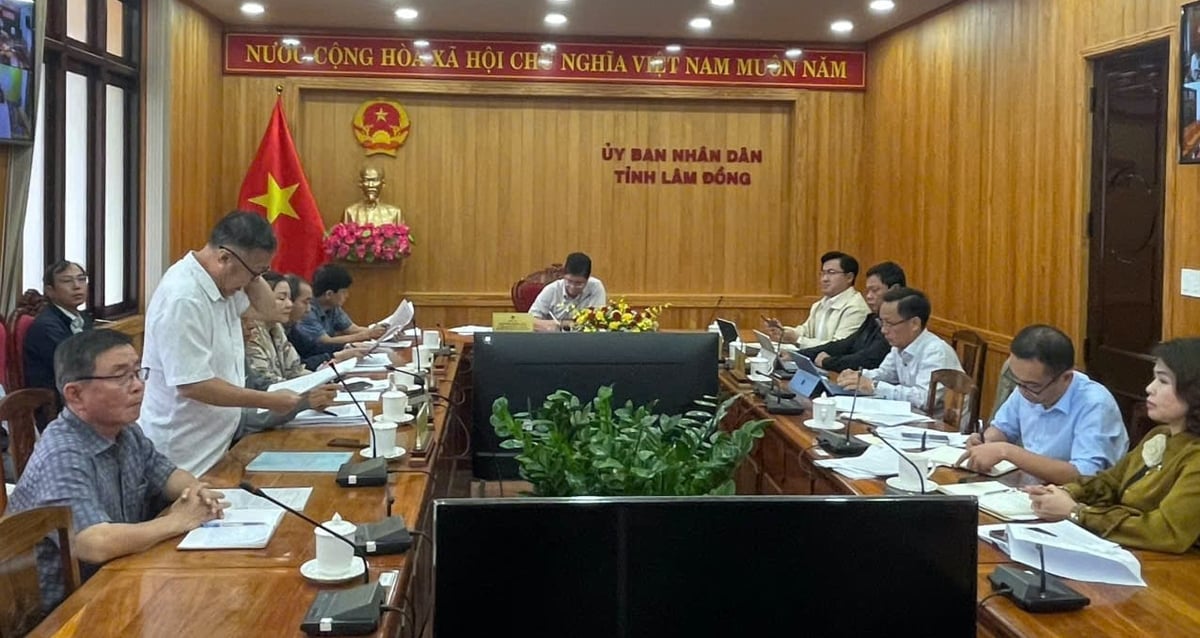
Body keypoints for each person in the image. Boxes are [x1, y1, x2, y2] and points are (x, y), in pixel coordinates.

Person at [8, 330, 226, 611]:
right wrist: (178, 521)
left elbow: (168, 474)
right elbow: (93, 543)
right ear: (75, 395)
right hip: (61, 610)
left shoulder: (126, 431)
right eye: (121, 376)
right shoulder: (63, 453)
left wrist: (196, 492)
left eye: (137, 372)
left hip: (117, 580)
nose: (137, 386)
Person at [140, 211, 304, 476]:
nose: (252, 281)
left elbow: (269, 311)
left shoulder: (222, 283)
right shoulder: (184, 298)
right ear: (224, 258)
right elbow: (193, 385)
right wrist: (268, 400)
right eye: (254, 273)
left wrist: (254, 272)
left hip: (213, 446)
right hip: (182, 454)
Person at [1027, 338, 1200, 554]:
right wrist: (1063, 492)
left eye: (1163, 381)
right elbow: (1110, 482)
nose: (1149, 388)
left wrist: (1077, 513)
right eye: (1154, 378)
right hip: (1127, 550)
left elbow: (1166, 532)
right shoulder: (1160, 435)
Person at [959, 325, 1128, 483]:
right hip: (1029, 488)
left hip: (1075, 498)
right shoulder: (1026, 386)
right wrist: (985, 443)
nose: (1022, 391)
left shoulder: (1095, 405)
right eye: (1017, 381)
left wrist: (1007, 451)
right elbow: (1003, 428)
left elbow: (1085, 475)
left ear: (1066, 377)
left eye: (1032, 386)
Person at [837, 287, 962, 414]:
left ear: (914, 323)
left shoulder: (936, 352)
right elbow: (885, 373)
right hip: (913, 416)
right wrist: (858, 376)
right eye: (882, 322)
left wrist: (874, 386)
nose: (883, 330)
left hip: (938, 422)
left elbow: (924, 399)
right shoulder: (900, 346)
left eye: (889, 323)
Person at [795, 261, 905, 373]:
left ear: (894, 289)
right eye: (868, 291)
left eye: (875, 290)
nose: (868, 296)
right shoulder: (873, 319)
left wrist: (827, 361)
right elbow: (845, 344)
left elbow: (870, 358)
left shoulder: (900, 322)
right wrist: (797, 355)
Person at [765, 251, 869, 349]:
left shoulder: (856, 309)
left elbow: (838, 347)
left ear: (849, 277)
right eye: (823, 273)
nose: (824, 279)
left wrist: (798, 339)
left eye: (831, 273)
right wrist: (783, 331)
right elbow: (806, 331)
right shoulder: (820, 304)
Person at [289, 264, 384, 365]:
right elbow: (324, 342)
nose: (347, 296)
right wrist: (367, 335)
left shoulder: (333, 307)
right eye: (344, 292)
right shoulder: (306, 312)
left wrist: (379, 331)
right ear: (329, 294)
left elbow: (352, 329)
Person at [23, 260, 94, 392]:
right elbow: (74, 366)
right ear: (50, 291)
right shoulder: (46, 327)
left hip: (81, 386)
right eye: (67, 281)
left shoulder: (84, 318)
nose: (77, 286)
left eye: (81, 279)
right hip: (55, 396)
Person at [529, 252, 608, 332]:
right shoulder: (552, 290)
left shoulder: (595, 287)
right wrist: (562, 324)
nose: (572, 287)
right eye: (569, 281)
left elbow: (598, 320)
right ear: (563, 276)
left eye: (579, 283)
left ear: (588, 279)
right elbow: (530, 321)